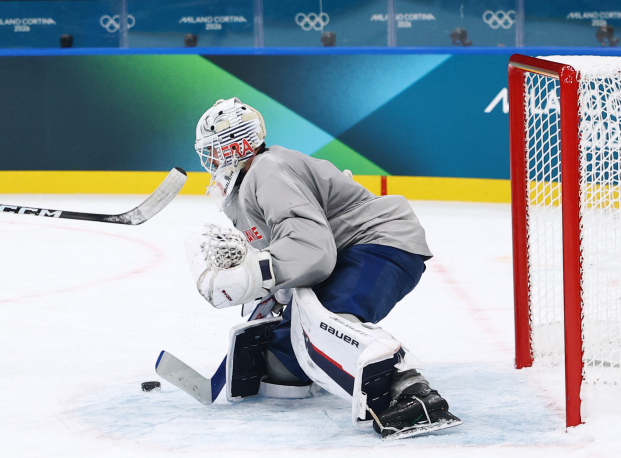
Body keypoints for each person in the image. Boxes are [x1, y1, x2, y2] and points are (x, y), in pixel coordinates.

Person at [184, 98, 461, 439]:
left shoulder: (267, 171)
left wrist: (252, 276)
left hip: (379, 241)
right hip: (344, 253)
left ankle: (412, 391)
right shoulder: (248, 187)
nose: (211, 161)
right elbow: (292, 256)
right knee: (282, 365)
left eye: (213, 151)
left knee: (325, 324)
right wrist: (271, 290)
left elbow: (312, 251)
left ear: (236, 145)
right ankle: (332, 364)